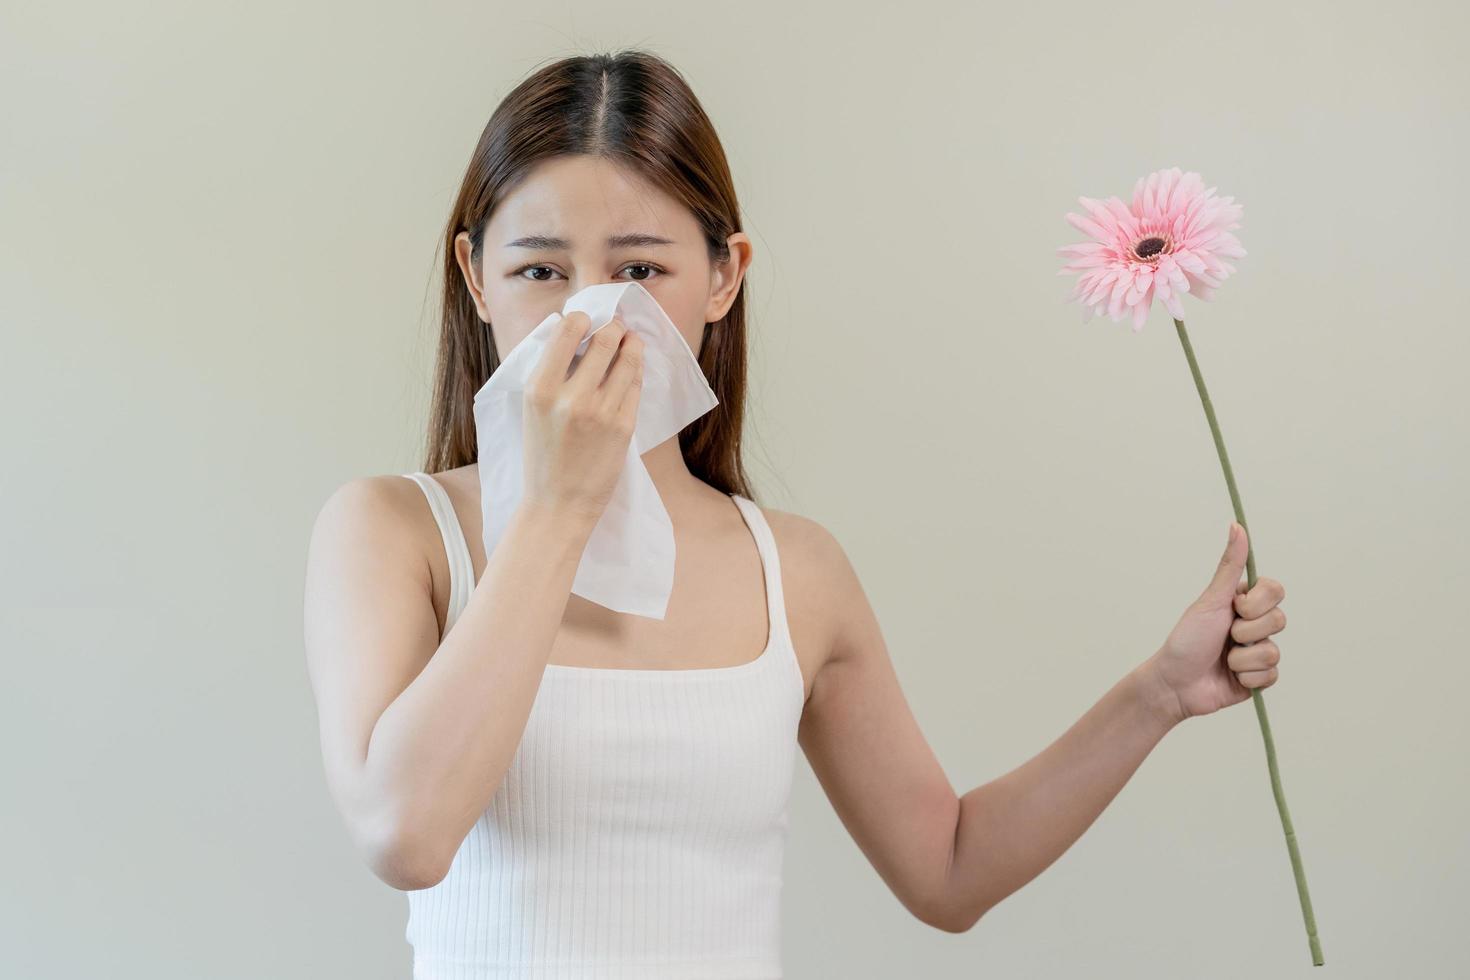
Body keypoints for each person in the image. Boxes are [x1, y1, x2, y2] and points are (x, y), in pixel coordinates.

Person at [302, 49, 1289, 979]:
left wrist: (1160, 691)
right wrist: (558, 507)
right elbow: (407, 833)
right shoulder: (392, 532)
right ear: (476, 277)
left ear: (724, 275)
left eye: (641, 270)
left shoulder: (796, 571)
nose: (591, 313)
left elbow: (946, 868)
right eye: (540, 270)